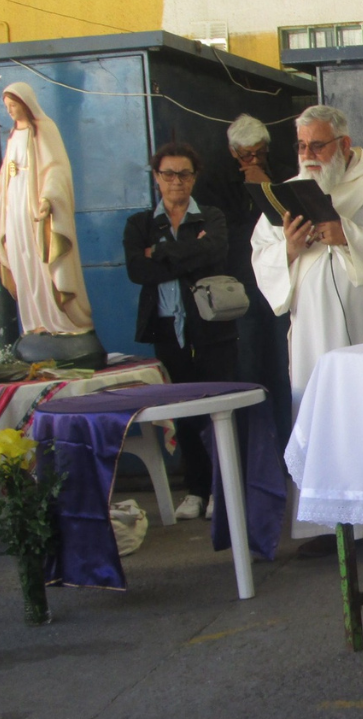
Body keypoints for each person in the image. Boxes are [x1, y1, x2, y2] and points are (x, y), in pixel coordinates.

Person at [251, 105, 363, 559]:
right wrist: (288, 246)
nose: (308, 155)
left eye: (317, 145)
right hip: (313, 330)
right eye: (302, 146)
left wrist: (346, 235)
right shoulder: (283, 194)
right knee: (321, 417)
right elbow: (260, 255)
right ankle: (328, 529)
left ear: (343, 145)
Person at [123, 143, 238, 520]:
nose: (177, 181)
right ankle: (196, 490)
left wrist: (159, 253)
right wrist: (189, 252)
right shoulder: (139, 224)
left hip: (212, 330)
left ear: (194, 177)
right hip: (167, 331)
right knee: (183, 411)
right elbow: (138, 272)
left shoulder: (212, 217)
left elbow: (216, 254)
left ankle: (224, 489)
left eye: (184, 174)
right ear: (157, 178)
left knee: (219, 411)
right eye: (168, 174)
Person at [0, 83, 94, 339]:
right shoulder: (14, 135)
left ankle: (59, 322)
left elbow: (56, 168)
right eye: (7, 107)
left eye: (13, 106)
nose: (10, 111)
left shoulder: (44, 129)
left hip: (35, 209)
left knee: (41, 263)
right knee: (22, 263)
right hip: (14, 210)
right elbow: (4, 177)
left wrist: (49, 198)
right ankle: (34, 322)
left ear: (26, 103)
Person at [211, 114, 294, 438]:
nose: (254, 159)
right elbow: (230, 236)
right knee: (249, 366)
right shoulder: (218, 182)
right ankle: (254, 447)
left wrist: (264, 187)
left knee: (284, 363)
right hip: (241, 283)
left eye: (259, 152)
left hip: (280, 280)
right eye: (247, 155)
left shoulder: (283, 175)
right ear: (234, 153)